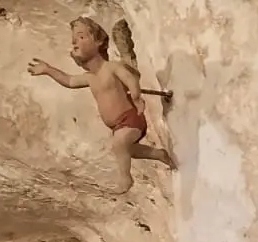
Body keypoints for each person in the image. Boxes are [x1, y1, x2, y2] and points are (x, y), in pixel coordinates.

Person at [28, 17, 174, 195]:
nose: (75, 43)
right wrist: (48, 70)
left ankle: (125, 179)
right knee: (129, 150)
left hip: (131, 117)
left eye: (81, 38)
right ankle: (159, 154)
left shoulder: (111, 67)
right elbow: (69, 80)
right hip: (118, 126)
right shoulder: (89, 77)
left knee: (119, 143)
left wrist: (136, 98)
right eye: (73, 40)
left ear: (98, 42)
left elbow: (130, 80)